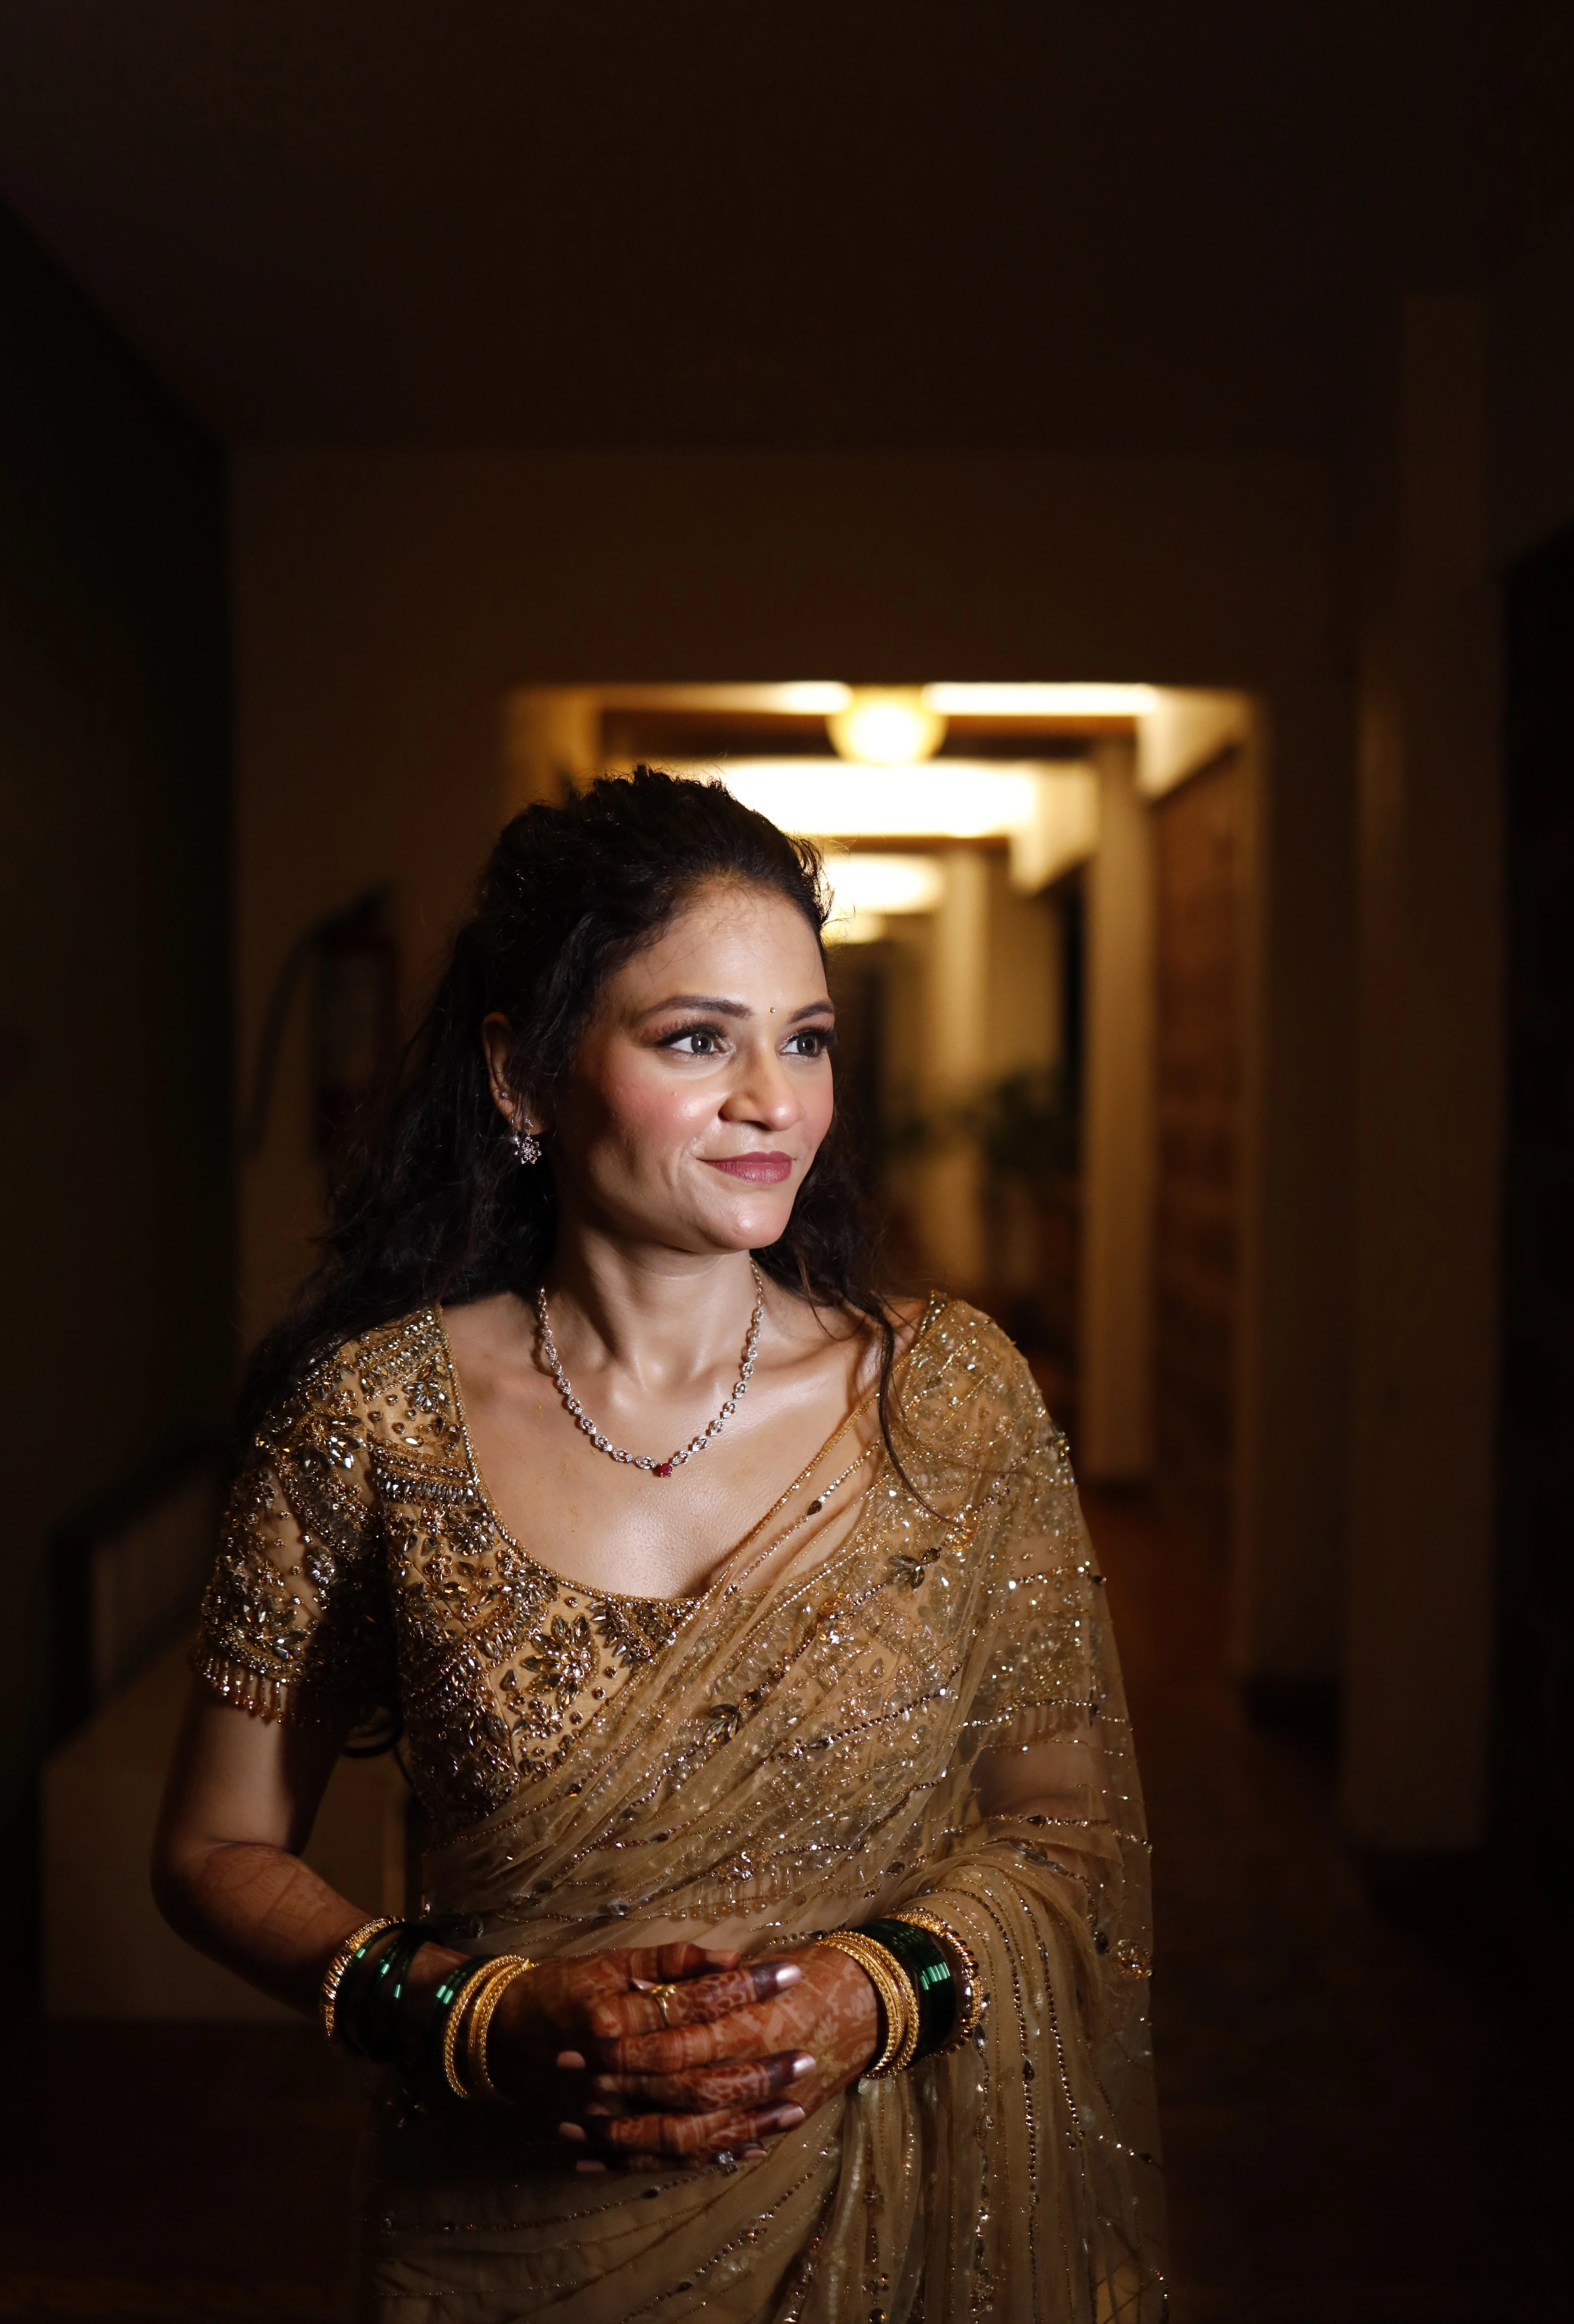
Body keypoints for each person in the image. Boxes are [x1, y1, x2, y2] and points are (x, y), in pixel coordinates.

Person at [154, 768, 1166, 2322]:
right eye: (699, 1039)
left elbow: (1068, 1836)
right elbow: (215, 1850)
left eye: (806, 1040)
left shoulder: (951, 1402)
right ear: (524, 1073)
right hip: (501, 2248)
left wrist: (868, 1995)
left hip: (883, 2237)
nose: (776, 1101)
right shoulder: (369, 1422)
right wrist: (474, 2018)